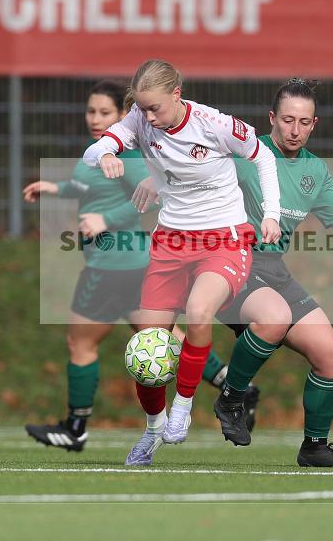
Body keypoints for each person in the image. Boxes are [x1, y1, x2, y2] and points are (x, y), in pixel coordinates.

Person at [23, 82, 258, 451]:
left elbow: (152, 195)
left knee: (81, 340)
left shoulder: (129, 156)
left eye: (105, 113)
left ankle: (76, 425)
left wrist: (106, 220)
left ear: (123, 116)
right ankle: (234, 385)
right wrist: (56, 188)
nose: (96, 119)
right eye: (91, 111)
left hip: (113, 264)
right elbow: (89, 187)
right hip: (128, 263)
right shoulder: (104, 155)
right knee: (164, 341)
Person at [83, 59, 283, 466]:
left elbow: (263, 156)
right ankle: (153, 429)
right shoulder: (141, 117)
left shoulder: (213, 124)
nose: (149, 116)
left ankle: (184, 407)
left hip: (223, 239)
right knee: (146, 347)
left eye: (155, 107)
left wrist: (272, 213)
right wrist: (105, 153)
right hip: (170, 243)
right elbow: (96, 147)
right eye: (143, 108)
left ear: (177, 95)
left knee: (198, 311)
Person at [212, 79, 333, 467]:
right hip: (229, 265)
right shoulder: (245, 155)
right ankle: (231, 399)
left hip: (273, 270)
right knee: (275, 318)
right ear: (272, 118)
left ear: (314, 124)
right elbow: (195, 176)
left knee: (331, 354)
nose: (295, 130)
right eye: (287, 120)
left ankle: (314, 447)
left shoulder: (314, 170)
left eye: (304, 122)